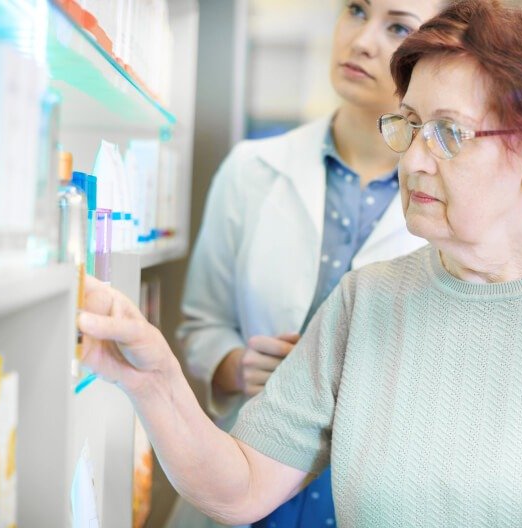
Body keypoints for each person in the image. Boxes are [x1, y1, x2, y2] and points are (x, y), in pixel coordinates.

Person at [77, 0, 522, 526]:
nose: (414, 161)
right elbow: (240, 488)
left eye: (449, 134)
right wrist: (154, 381)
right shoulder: (366, 301)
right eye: (409, 125)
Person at [173, 1, 443, 526]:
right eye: (357, 10)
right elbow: (201, 323)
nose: (362, 41)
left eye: (397, 27)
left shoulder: (446, 202)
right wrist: (233, 365)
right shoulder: (252, 169)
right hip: (242, 477)